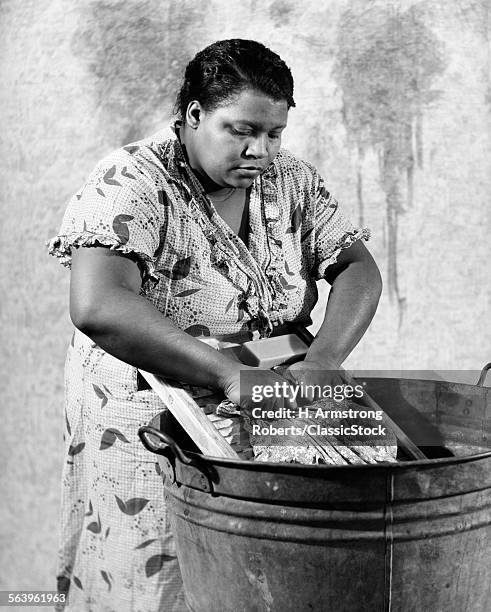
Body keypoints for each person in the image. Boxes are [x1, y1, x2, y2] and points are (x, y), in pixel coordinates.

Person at [47, 38, 382, 611]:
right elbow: (99, 306)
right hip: (149, 414)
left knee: (257, 569)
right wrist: (228, 376)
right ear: (195, 114)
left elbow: (356, 267)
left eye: (274, 133)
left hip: (265, 400)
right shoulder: (132, 180)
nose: (260, 149)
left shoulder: (291, 181)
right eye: (241, 130)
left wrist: (323, 359)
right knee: (151, 573)